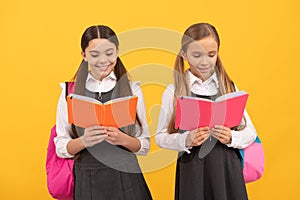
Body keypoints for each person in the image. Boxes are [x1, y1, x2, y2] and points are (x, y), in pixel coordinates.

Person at [155, 23, 257, 200]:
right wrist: (185, 139)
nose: (205, 62)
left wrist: (232, 137)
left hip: (227, 169)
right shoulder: (174, 91)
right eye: (197, 55)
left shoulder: (228, 87)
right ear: (184, 54)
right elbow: (160, 137)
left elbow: (250, 132)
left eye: (212, 55)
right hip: (194, 171)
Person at [54, 25, 152, 200]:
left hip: (127, 177)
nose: (103, 60)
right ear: (84, 55)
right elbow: (61, 146)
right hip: (87, 178)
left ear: (117, 52)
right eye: (94, 54)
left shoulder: (132, 89)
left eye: (109, 53)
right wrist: (84, 140)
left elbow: (144, 145)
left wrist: (122, 139)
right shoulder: (69, 92)